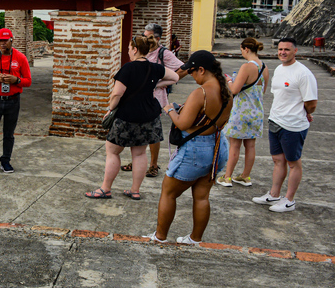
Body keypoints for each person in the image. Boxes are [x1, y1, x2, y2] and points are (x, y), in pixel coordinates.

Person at [145, 51, 231, 244]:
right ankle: (195, 239)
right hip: (217, 146)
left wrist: (169, 110)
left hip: (195, 150)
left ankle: (160, 237)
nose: (192, 76)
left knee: (168, 193)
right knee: (201, 197)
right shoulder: (226, 89)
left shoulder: (201, 93)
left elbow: (183, 124)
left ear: (201, 69)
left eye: (192, 72)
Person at [85, 35, 178, 199]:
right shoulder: (154, 68)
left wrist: (109, 109)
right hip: (149, 116)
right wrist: (155, 85)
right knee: (140, 154)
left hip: (127, 115)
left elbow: (117, 94)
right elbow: (175, 77)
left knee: (113, 151)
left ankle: (105, 188)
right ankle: (135, 191)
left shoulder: (128, 68)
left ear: (135, 49)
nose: (128, 51)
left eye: (129, 48)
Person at [253, 38, 317, 212]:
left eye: (287, 50)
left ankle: (289, 200)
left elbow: (311, 102)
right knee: (277, 160)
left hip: (293, 125)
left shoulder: (303, 74)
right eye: (280, 49)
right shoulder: (280, 69)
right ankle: (274, 194)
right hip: (276, 120)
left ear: (295, 51)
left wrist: (305, 112)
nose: (282, 52)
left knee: (293, 162)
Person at [120, 23, 184, 178]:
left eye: (148, 35)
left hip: (155, 98)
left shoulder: (163, 53)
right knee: (137, 129)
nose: (145, 37)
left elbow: (182, 68)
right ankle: (137, 159)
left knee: (153, 133)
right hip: (138, 97)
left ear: (157, 38)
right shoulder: (143, 51)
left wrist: (160, 84)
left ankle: (153, 165)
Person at [0, 28, 32, 174]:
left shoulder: (20, 58)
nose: (3, 44)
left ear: (11, 40)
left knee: (9, 134)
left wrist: (17, 80)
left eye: (5, 40)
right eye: (0, 41)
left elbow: (28, 81)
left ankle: (6, 161)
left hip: (12, 101)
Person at [218, 38, 269, 187]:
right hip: (256, 111)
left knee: (234, 145)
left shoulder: (247, 67)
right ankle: (245, 176)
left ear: (246, 49)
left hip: (241, 112)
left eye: (241, 50)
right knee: (250, 145)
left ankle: (227, 177)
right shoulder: (264, 67)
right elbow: (263, 90)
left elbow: (234, 90)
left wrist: (228, 81)